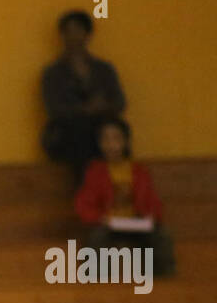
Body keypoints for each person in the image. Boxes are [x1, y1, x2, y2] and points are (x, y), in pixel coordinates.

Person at [75, 118, 176, 277]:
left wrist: (150, 216)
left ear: (125, 141)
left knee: (161, 236)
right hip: (109, 223)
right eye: (106, 139)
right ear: (100, 144)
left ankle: (160, 281)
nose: (111, 145)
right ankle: (98, 283)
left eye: (116, 138)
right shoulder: (95, 172)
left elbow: (152, 201)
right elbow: (84, 204)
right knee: (96, 239)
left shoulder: (139, 171)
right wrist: (101, 218)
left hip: (136, 222)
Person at [40, 11, 127, 181]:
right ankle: (89, 192)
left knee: (114, 133)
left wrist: (102, 107)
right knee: (80, 134)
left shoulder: (104, 70)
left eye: (77, 30)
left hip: (102, 130)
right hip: (68, 134)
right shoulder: (52, 73)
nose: (73, 37)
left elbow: (120, 103)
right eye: (68, 32)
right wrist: (85, 110)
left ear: (87, 34)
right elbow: (54, 110)